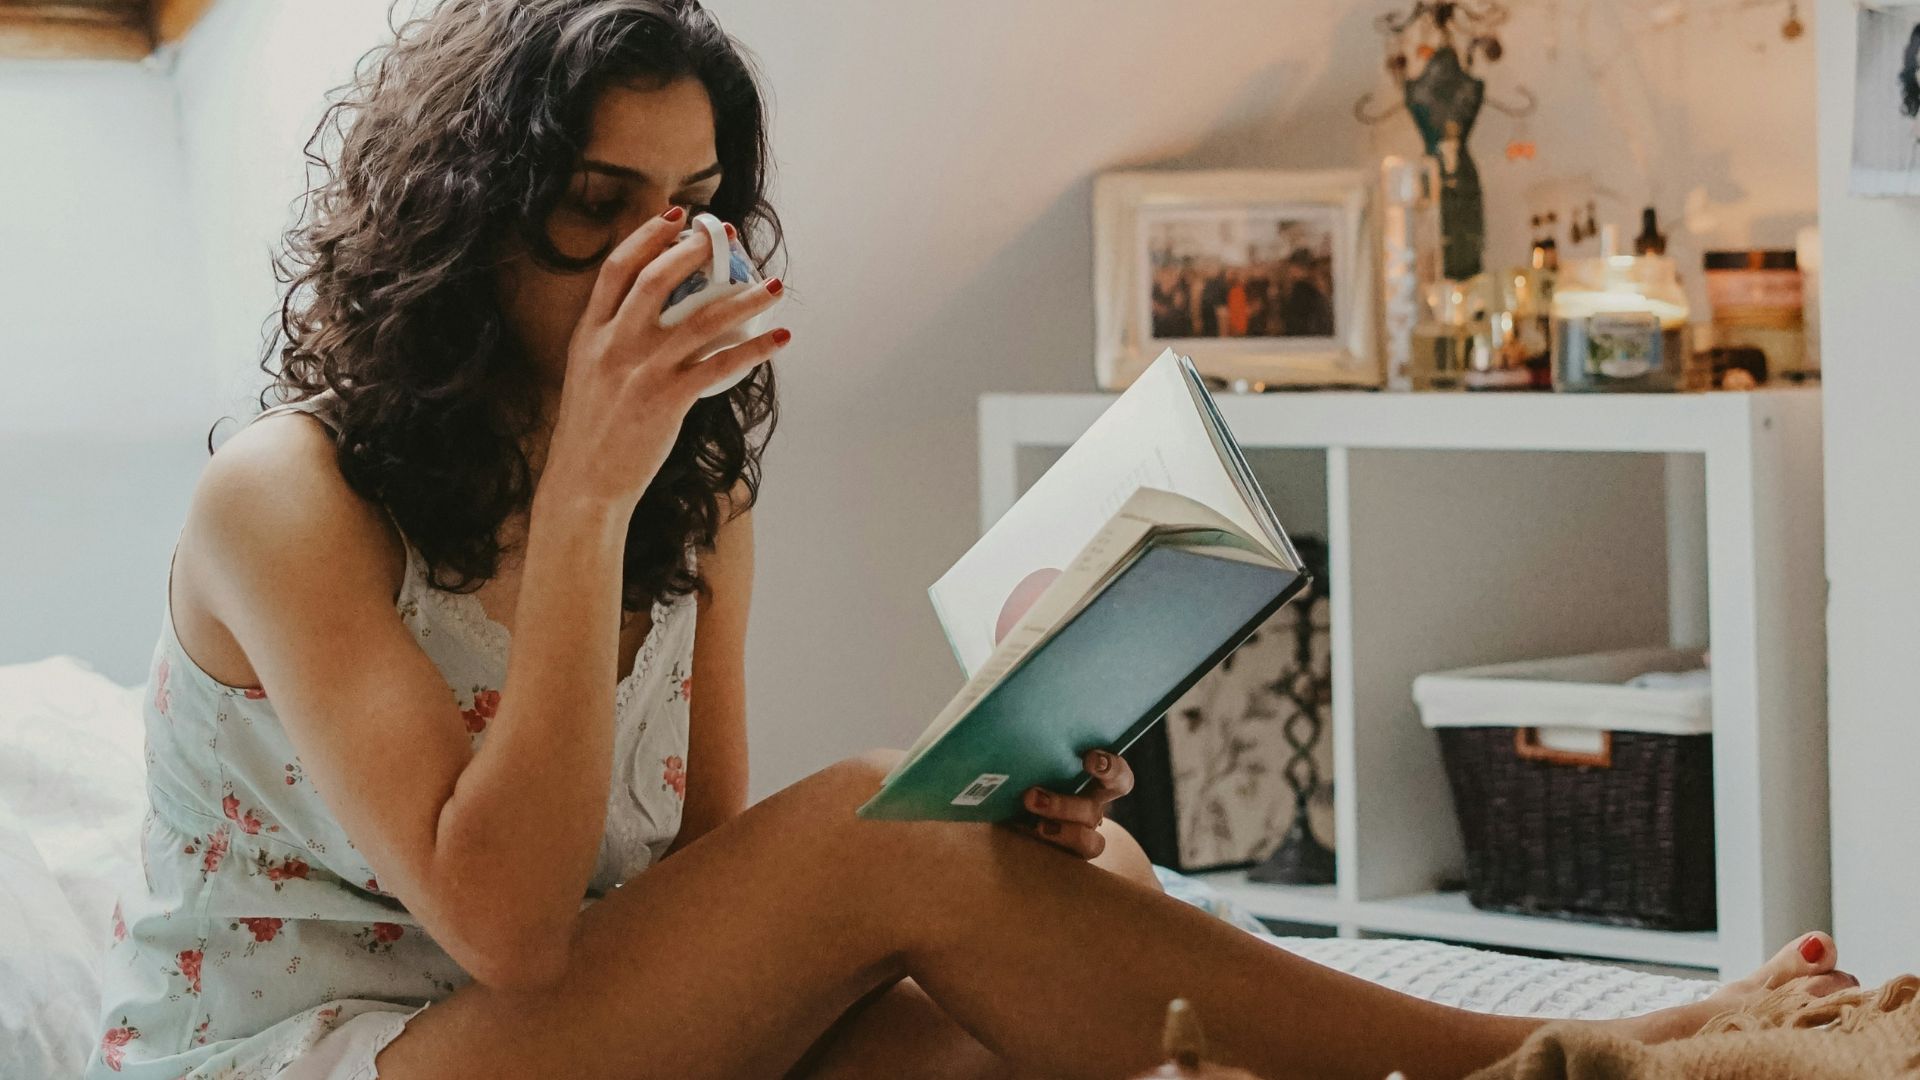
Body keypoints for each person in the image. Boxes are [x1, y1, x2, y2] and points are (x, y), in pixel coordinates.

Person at [89, 3, 1857, 1079]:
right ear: (468, 229)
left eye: (695, 212)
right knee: (887, 831)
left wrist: (1003, 825)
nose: (662, 263)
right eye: (596, 212)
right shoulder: (288, 495)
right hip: (332, 1054)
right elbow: (514, 934)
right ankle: (1565, 1059)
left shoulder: (695, 483)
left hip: (571, 1043)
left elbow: (696, 893)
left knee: (1089, 905)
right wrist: (581, 508)